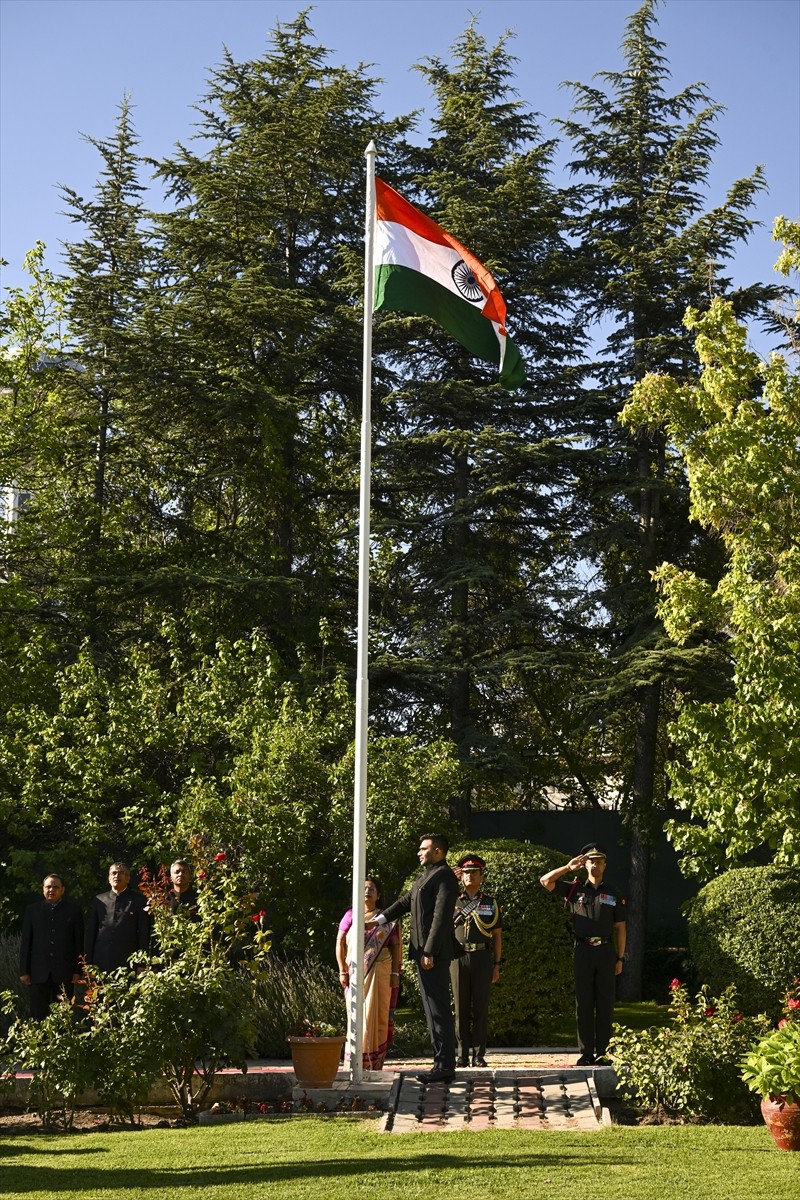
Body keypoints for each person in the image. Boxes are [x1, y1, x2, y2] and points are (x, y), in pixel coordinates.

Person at [369, 833, 459, 1083]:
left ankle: (445, 1066)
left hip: (432, 954)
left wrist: (430, 951)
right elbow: (405, 902)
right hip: (423, 953)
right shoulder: (424, 877)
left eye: (424, 848)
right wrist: (378, 920)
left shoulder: (445, 877)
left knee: (438, 1009)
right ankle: (441, 1064)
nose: (419, 852)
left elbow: (441, 917)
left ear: (438, 851)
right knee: (432, 1010)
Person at [540, 843, 627, 1065]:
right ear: (585, 864)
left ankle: (604, 1052)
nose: (595, 865)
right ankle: (586, 1052)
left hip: (606, 951)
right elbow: (545, 881)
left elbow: (620, 927)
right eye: (591, 861)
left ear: (605, 865)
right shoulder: (575, 889)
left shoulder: (613, 893)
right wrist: (568, 868)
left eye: (599, 861)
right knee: (584, 1002)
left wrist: (620, 957)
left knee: (605, 1002)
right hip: (583, 950)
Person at [336, 876, 402, 1070]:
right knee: (356, 1015)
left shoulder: (386, 918)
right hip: (356, 974)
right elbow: (340, 943)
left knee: (378, 1015)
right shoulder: (350, 915)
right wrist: (342, 971)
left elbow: (395, 946)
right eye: (364, 888)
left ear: (378, 895)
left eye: (372, 889)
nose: (367, 892)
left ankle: (374, 1063)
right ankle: (356, 1061)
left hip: (382, 972)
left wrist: (395, 973)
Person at [451, 854, 502, 1068]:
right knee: (461, 1008)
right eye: (465, 872)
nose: (469, 876)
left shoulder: (490, 902)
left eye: (474, 872)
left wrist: (497, 964)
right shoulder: (452, 899)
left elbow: (497, 935)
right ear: (461, 876)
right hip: (458, 957)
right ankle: (462, 1054)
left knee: (481, 1007)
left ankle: (479, 1054)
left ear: (481, 876)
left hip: (482, 957)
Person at [19, 873, 84, 1019]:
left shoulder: (74, 911)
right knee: (38, 1016)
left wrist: (77, 971)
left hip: (64, 973)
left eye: (55, 887)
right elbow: (26, 942)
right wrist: (24, 971)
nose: (51, 890)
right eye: (48, 887)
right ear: (43, 889)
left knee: (63, 1016)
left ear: (62, 890)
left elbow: (78, 942)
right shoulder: (32, 911)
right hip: (38, 973)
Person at [84, 862, 150, 972]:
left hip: (129, 962)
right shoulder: (99, 900)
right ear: (109, 878)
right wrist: (87, 964)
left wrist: (142, 964)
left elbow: (144, 933)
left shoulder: (139, 900)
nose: (116, 876)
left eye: (121, 873)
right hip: (101, 962)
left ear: (128, 878)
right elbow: (91, 934)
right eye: (113, 873)